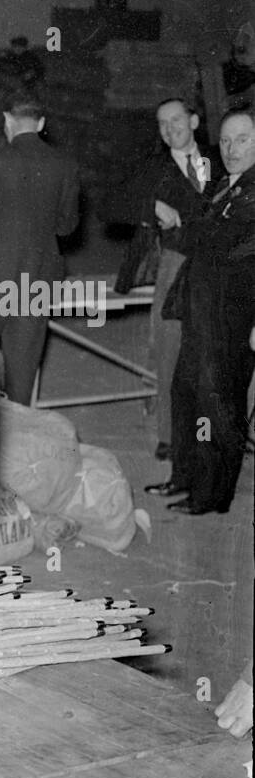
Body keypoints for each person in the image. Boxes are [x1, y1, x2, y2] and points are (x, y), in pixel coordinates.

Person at [148, 107, 255, 514]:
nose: (231, 149)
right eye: (226, 141)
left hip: (231, 318)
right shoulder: (224, 187)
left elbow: (222, 245)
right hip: (200, 312)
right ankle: (184, 476)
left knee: (218, 403)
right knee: (186, 394)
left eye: (242, 139)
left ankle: (212, 495)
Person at [0, 90, 80, 404]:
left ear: (7, 120)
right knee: (22, 380)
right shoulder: (64, 163)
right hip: (35, 282)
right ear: (41, 123)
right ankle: (20, 444)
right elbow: (67, 226)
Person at [122, 99, 218, 460]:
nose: (169, 129)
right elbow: (111, 202)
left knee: (216, 352)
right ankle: (169, 434)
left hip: (218, 264)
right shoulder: (154, 167)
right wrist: (152, 208)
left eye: (176, 120)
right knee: (168, 349)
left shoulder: (219, 158)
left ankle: (215, 433)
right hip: (175, 264)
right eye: (162, 124)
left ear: (193, 120)